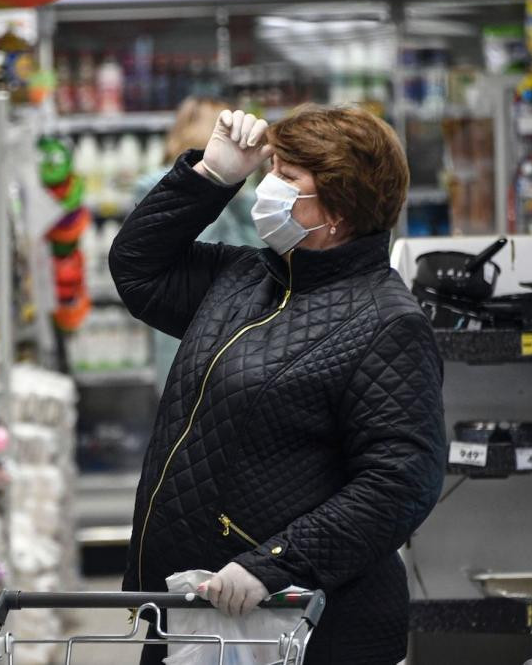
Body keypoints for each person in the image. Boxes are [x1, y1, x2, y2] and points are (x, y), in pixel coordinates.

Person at [110, 104, 446, 665]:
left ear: (336, 208)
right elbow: (138, 269)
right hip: (195, 609)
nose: (267, 188)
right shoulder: (245, 279)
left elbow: (401, 480)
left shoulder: (388, 322)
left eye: (286, 178)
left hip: (300, 624)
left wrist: (276, 563)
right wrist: (211, 177)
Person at [133, 96, 263, 394]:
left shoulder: (245, 195)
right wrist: (216, 184)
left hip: (236, 336)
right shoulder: (157, 189)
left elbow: (259, 252)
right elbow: (209, 245)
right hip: (191, 331)